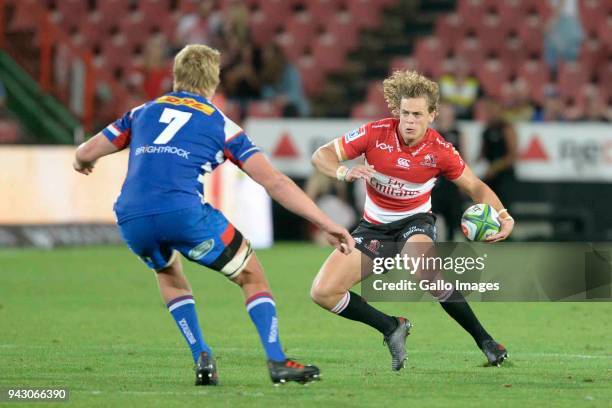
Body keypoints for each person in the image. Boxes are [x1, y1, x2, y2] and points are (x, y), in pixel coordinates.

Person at [72, 44, 354, 386]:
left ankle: (200, 355)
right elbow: (274, 182)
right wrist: (325, 222)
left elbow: (85, 152)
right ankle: (278, 361)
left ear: (176, 76)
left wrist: (83, 162)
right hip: (184, 213)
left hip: (132, 217)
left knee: (167, 270)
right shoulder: (221, 124)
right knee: (251, 274)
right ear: (214, 82)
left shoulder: (141, 112)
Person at [309, 70, 514, 371]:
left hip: (413, 222)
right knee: (323, 292)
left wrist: (504, 216)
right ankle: (391, 326)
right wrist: (344, 171)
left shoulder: (440, 150)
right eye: (405, 112)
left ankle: (486, 342)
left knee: (427, 272)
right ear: (397, 111)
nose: (409, 120)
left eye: (418, 114)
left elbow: (476, 187)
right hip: (374, 228)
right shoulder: (374, 133)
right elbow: (321, 155)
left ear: (432, 115)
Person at [431, 102, 465, 241]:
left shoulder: (457, 134)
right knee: (431, 217)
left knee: (453, 219)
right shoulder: (430, 134)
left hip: (452, 182)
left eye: (448, 112)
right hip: (435, 182)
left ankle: (449, 249)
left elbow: (463, 158)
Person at [480, 98, 518, 207]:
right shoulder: (486, 129)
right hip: (490, 175)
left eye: (493, 110)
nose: (491, 113)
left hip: (504, 175)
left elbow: (512, 155)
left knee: (503, 208)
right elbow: (483, 153)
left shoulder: (506, 128)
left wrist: (495, 168)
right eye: (488, 110)